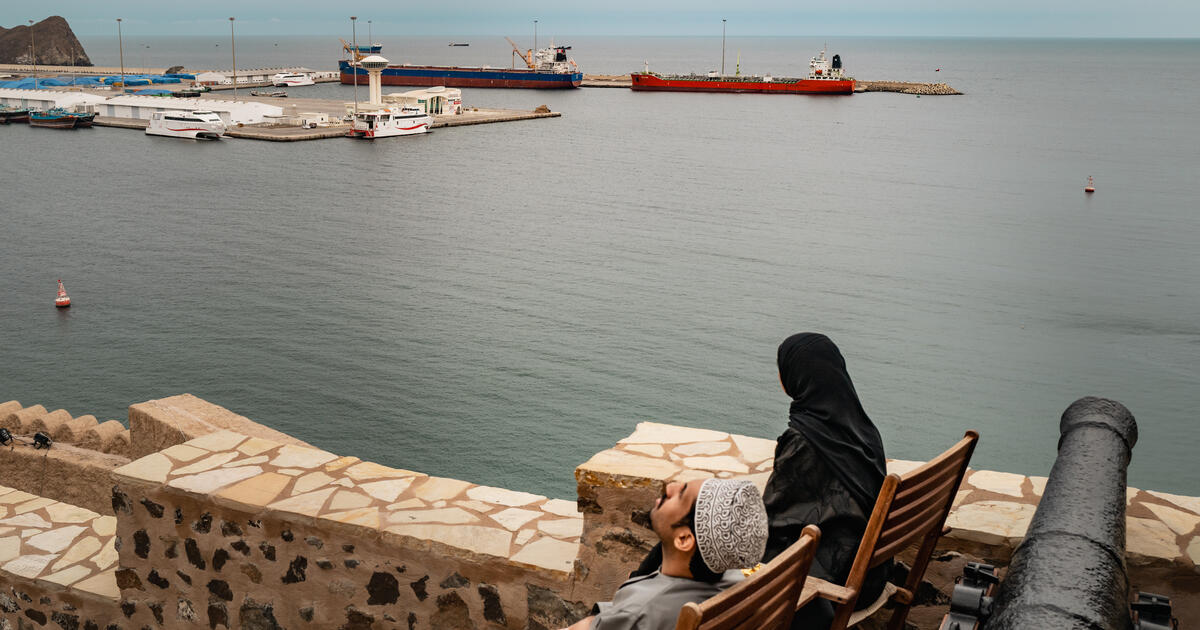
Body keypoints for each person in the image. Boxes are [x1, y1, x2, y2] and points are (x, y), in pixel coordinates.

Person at [763, 332, 891, 628]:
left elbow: (772, 520)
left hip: (834, 584)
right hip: (872, 571)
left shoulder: (804, 440)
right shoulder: (862, 429)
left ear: (793, 378)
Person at [563, 478, 769, 630]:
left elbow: (631, 615)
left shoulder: (639, 610)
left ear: (684, 539)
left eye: (681, 495)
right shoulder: (738, 580)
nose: (670, 487)